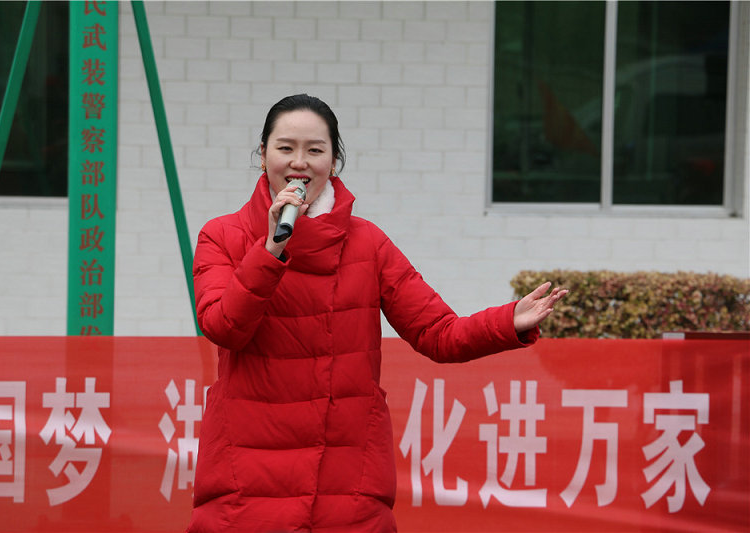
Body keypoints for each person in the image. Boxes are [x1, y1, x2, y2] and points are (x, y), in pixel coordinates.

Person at [188, 94, 568, 532]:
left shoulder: (368, 244)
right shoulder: (223, 236)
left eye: (315, 150)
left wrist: (506, 322)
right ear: (263, 154)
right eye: (285, 148)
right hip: (246, 482)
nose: (299, 162)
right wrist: (270, 249)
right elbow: (223, 327)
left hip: (346, 483)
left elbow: (437, 333)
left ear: (334, 161)